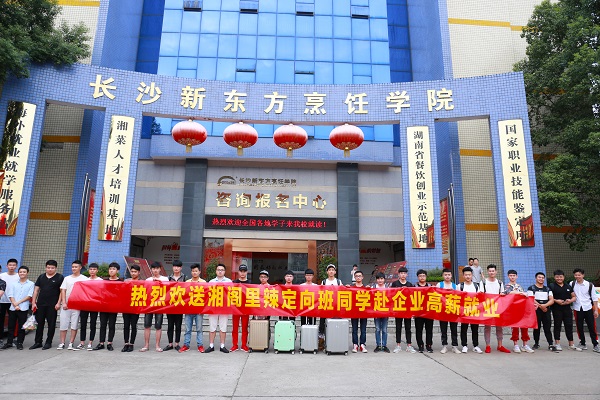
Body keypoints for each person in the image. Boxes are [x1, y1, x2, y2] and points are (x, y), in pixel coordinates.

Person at [30, 260, 64, 350]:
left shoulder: (60, 277)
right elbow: (36, 290)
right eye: (48, 267)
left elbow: (62, 291)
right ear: (46, 267)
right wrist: (33, 302)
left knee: (51, 324)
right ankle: (38, 342)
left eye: (52, 268)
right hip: (40, 304)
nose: (50, 269)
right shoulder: (41, 277)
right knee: (39, 324)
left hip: (52, 305)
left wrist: (58, 303)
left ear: (56, 268)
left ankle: (48, 342)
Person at [58, 260, 89, 350]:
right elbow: (63, 290)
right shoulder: (67, 278)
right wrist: (63, 302)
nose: (74, 268)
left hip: (77, 306)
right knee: (63, 325)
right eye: (73, 267)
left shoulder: (85, 279)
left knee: (74, 325)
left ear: (80, 268)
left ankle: (71, 343)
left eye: (76, 267)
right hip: (66, 305)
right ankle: (62, 343)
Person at [1, 266, 34, 350]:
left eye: (24, 272)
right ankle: (9, 342)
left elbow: (29, 296)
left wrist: (18, 303)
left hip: (23, 308)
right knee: (11, 326)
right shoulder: (13, 284)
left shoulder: (31, 284)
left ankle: (20, 343)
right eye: (20, 272)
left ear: (27, 273)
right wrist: (15, 304)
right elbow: (10, 295)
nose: (22, 273)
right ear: (18, 273)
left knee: (21, 326)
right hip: (13, 308)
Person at [549, 269, 580, 351]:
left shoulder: (568, 286)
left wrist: (570, 301)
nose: (559, 278)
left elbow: (574, 297)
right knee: (557, 326)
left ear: (563, 277)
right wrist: (556, 301)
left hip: (567, 309)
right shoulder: (551, 286)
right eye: (557, 277)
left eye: (561, 277)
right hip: (556, 309)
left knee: (569, 326)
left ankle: (571, 344)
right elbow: (549, 297)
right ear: (554, 277)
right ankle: (557, 343)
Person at [482, 264, 510, 353]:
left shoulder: (500, 282)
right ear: (487, 272)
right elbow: (481, 294)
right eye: (490, 271)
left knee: (499, 326)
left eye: (493, 271)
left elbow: (502, 294)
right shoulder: (483, 282)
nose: (491, 272)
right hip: (487, 307)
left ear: (496, 272)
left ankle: (500, 345)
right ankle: (488, 346)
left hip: (498, 307)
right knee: (487, 327)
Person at [504, 269, 534, 353]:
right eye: (510, 275)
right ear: (508, 276)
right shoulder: (507, 286)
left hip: (522, 309)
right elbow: (507, 293)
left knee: (524, 327)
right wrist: (520, 293)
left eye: (514, 275)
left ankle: (525, 344)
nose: (512, 277)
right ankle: (516, 345)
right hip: (513, 310)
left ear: (516, 276)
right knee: (515, 328)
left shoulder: (519, 286)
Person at [141, 262, 168, 352]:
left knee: (158, 326)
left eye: (157, 268)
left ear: (160, 269)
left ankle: (157, 345)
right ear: (151, 269)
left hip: (160, 306)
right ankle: (146, 345)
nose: (155, 270)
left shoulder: (165, 279)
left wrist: (159, 282)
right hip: (149, 305)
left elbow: (168, 291)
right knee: (147, 325)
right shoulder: (148, 280)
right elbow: (145, 292)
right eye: (153, 269)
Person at [570, 268, 599, 352]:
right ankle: (582, 343)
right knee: (579, 327)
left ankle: (595, 344)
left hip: (588, 308)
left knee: (592, 327)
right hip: (577, 308)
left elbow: (594, 298)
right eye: (576, 275)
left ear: (583, 275)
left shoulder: (589, 285)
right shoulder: (572, 284)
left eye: (579, 275)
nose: (577, 276)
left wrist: (596, 310)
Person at [205, 263, 231, 353]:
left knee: (223, 327)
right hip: (213, 308)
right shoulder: (211, 282)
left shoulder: (229, 282)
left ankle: (222, 345)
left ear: (225, 271)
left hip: (224, 308)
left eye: (222, 270)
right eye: (218, 270)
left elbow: (231, 295)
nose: (220, 271)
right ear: (216, 271)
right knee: (212, 327)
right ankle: (211, 345)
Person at [95, 262, 122, 351]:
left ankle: (110, 343)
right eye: (110, 269)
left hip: (114, 307)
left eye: (113, 269)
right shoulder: (104, 281)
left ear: (117, 271)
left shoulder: (120, 282)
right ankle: (101, 343)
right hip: (104, 306)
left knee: (111, 325)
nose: (111, 271)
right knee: (102, 325)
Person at [180, 263, 206, 353]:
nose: (194, 273)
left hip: (199, 310)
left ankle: (200, 345)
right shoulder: (187, 282)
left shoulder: (203, 283)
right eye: (193, 271)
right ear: (191, 272)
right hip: (189, 309)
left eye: (196, 271)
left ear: (199, 272)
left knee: (199, 329)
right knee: (187, 329)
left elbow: (206, 297)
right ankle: (186, 345)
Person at [527, 272, 556, 351]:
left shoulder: (547, 289)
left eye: (543, 278)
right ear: (536, 278)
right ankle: (536, 343)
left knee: (547, 327)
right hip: (536, 310)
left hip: (546, 310)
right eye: (539, 277)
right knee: (537, 327)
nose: (541, 279)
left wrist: (545, 305)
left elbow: (552, 300)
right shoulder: (531, 288)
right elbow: (531, 299)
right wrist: (541, 306)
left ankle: (550, 344)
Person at [390, 266, 416, 353]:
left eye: (404, 273)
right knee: (398, 327)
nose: (403, 275)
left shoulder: (410, 285)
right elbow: (391, 294)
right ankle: (398, 345)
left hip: (407, 309)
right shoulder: (395, 284)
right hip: (398, 308)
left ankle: (409, 345)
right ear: (398, 274)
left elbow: (413, 296)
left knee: (408, 328)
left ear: (407, 275)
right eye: (401, 273)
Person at [78, 263, 102, 350]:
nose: (92, 271)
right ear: (88, 270)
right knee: (83, 323)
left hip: (94, 305)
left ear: (97, 271)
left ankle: (90, 342)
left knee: (93, 324)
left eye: (94, 269)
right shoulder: (85, 280)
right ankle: (82, 342)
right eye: (91, 269)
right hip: (84, 304)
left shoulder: (100, 281)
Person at [164, 260, 187, 351]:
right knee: (170, 325)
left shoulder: (185, 277)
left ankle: (177, 343)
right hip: (170, 305)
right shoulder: (168, 278)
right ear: (172, 267)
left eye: (178, 267)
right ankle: (170, 344)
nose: (176, 268)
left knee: (178, 325)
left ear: (181, 268)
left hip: (180, 305)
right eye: (174, 266)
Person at [459, 267, 483, 353]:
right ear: (463, 276)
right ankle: (464, 345)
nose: (468, 276)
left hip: (474, 311)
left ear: (472, 275)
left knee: (475, 329)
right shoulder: (460, 286)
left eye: (469, 275)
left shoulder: (476, 286)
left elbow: (480, 298)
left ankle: (475, 345)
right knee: (464, 329)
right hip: (464, 311)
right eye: (466, 275)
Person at [437, 268, 460, 354]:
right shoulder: (439, 285)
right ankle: (444, 346)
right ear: (443, 276)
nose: (447, 276)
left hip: (453, 310)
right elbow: (436, 296)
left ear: (451, 276)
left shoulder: (455, 286)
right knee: (443, 329)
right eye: (445, 275)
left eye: (449, 275)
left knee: (454, 329)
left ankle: (455, 346)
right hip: (443, 311)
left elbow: (459, 297)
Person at [122, 264, 142, 352]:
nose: (133, 273)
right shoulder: (126, 281)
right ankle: (126, 343)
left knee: (133, 325)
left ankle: (131, 344)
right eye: (132, 271)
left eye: (135, 272)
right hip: (126, 306)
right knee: (126, 325)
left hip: (136, 307)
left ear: (139, 272)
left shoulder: (142, 282)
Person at [230, 264, 249, 352]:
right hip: (235, 308)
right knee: (235, 328)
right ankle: (235, 345)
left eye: (244, 271)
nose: (242, 273)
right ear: (238, 272)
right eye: (241, 271)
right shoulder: (234, 282)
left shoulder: (250, 283)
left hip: (245, 308)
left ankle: (244, 345)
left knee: (244, 328)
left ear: (247, 272)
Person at [414, 269, 434, 353]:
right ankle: (420, 345)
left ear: (426, 277)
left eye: (423, 276)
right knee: (419, 330)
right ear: (417, 277)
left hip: (429, 312)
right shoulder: (414, 287)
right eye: (420, 276)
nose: (422, 277)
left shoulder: (430, 286)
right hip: (418, 312)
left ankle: (429, 345)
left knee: (429, 329)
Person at [318, 264, 342, 335]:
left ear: (335, 272)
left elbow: (342, 292)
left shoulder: (338, 281)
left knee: (336, 322)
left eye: (332, 270)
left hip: (335, 305)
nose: (331, 271)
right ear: (327, 272)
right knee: (323, 321)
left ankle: (336, 335)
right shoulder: (324, 282)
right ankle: (322, 335)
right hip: (326, 304)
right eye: (329, 270)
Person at [0, 258, 19, 342]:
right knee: (1, 320)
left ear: (16, 266)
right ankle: (0, 338)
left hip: (13, 302)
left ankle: (12, 338)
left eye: (14, 265)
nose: (12, 267)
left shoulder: (18, 276)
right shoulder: (2, 275)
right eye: (10, 265)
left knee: (13, 320)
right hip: (1, 301)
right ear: (7, 266)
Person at [350, 270, 367, 353]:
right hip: (354, 311)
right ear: (354, 277)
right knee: (354, 329)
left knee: (363, 329)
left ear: (362, 277)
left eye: (360, 276)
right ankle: (355, 344)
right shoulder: (351, 288)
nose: (358, 277)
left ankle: (362, 344)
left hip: (364, 311)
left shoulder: (366, 288)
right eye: (356, 276)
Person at [372, 272, 390, 353]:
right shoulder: (373, 287)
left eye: (381, 279)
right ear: (376, 280)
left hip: (385, 312)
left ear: (384, 279)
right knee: (377, 329)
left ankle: (384, 345)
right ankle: (378, 345)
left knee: (384, 329)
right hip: (376, 311)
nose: (380, 280)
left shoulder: (387, 288)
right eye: (378, 279)